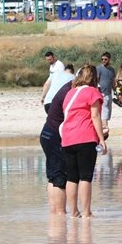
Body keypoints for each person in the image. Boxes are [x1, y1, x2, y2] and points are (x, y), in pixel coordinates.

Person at [61, 65, 107, 219]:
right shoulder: (93, 92)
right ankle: (87, 212)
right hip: (85, 137)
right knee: (85, 176)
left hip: (67, 138)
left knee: (72, 177)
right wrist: (101, 139)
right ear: (94, 77)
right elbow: (95, 116)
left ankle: (74, 212)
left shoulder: (70, 93)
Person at [39, 64, 75, 215]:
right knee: (60, 175)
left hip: (46, 133)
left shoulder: (62, 83)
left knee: (52, 175)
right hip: (54, 135)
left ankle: (54, 213)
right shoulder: (70, 92)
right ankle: (60, 213)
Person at [96, 52, 115, 138]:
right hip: (101, 93)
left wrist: (116, 91)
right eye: (102, 59)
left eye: (105, 59)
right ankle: (104, 128)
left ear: (109, 60)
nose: (103, 61)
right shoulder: (99, 69)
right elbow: (96, 80)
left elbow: (113, 82)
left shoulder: (112, 70)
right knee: (104, 111)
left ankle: (103, 127)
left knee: (107, 112)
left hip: (109, 93)